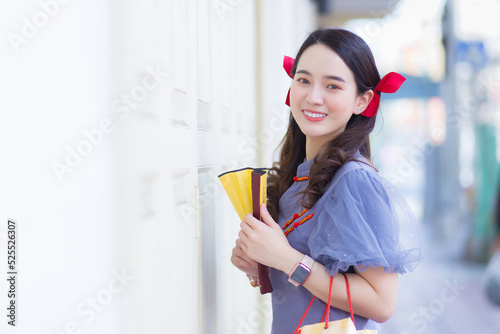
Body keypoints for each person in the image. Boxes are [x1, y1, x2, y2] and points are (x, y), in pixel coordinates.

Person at [231, 28, 422, 333]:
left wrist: (286, 259)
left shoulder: (355, 182)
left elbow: (382, 302)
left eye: (333, 86)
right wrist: (263, 262)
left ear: (362, 100)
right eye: (303, 80)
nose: (313, 97)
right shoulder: (300, 173)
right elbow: (307, 273)